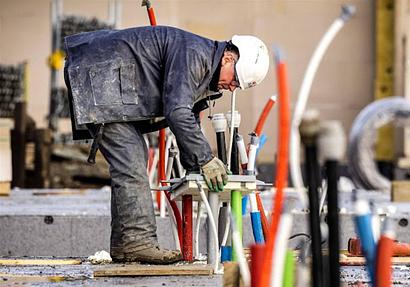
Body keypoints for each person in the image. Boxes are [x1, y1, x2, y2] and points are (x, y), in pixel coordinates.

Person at [64, 25, 269, 264]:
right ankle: (136, 242)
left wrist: (194, 164)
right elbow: (177, 111)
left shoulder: (203, 63)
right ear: (228, 58)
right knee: (130, 160)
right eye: (235, 80)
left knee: (134, 157)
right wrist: (205, 158)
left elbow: (187, 117)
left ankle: (125, 243)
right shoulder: (195, 55)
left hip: (105, 79)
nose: (233, 87)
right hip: (101, 77)